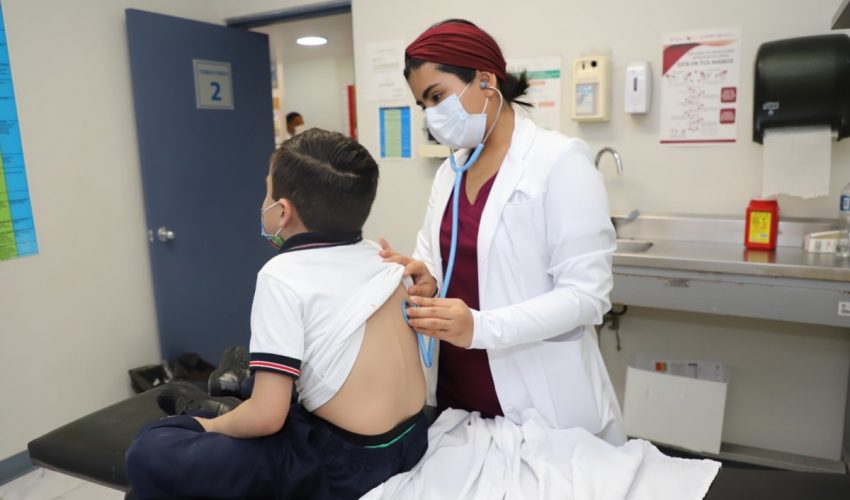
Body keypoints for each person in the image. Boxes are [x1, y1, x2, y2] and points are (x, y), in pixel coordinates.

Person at [126, 129, 428, 499]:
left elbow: (268, 418)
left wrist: (210, 427)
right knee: (288, 380)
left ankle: (220, 403)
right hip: (412, 440)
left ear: (282, 211)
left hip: (346, 465)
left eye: (267, 192)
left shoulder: (282, 275)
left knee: (151, 447)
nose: (263, 203)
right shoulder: (382, 257)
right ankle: (239, 386)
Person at [380, 19, 625, 444]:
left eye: (437, 96)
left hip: (541, 405)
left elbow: (587, 297)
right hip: (457, 395)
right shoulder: (450, 172)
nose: (432, 115)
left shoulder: (559, 161)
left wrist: (481, 327)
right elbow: (438, 262)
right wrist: (425, 279)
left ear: (486, 80)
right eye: (423, 105)